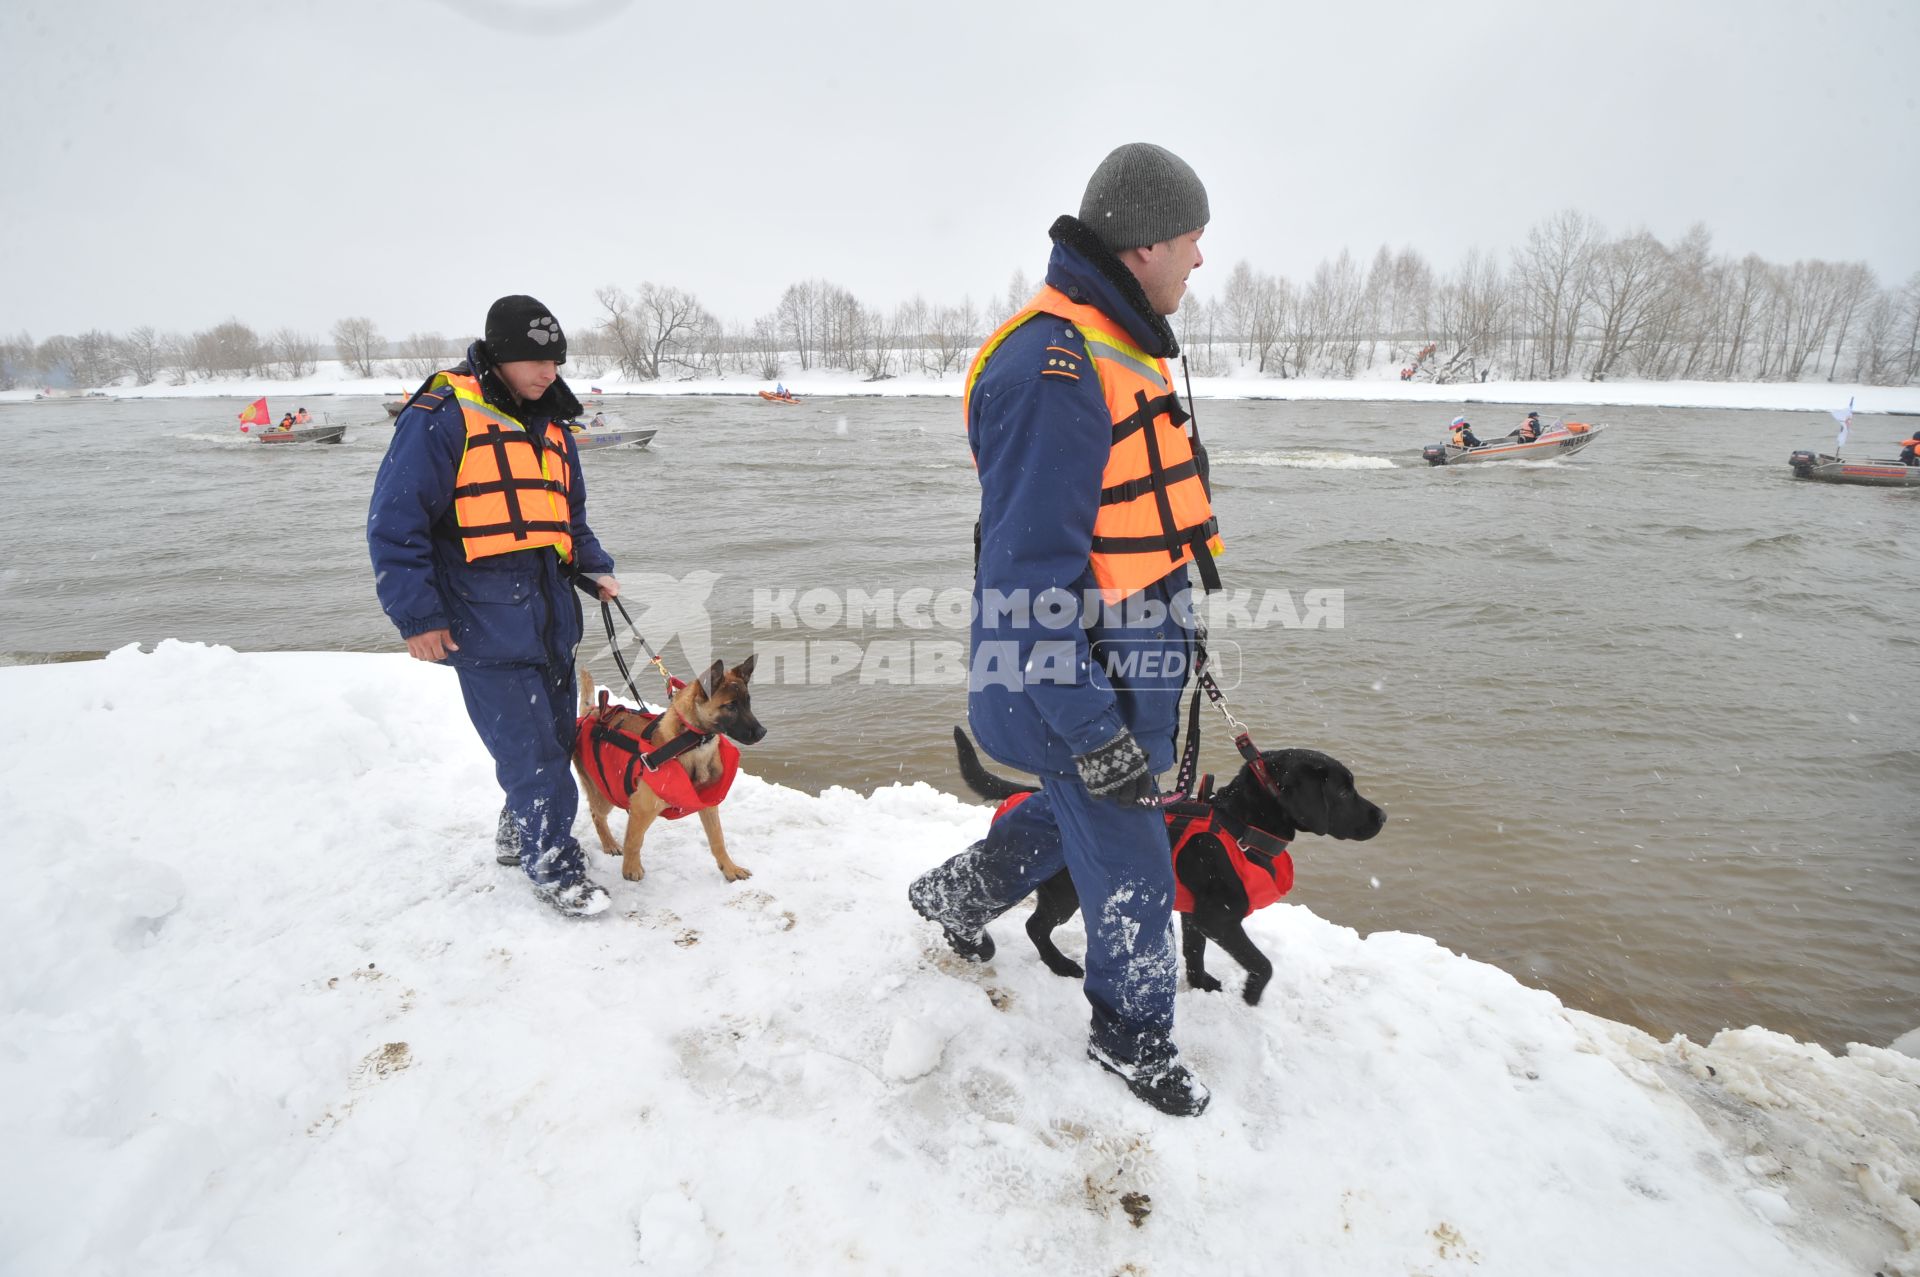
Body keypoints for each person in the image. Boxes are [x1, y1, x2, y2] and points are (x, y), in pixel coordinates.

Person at [907, 143, 1219, 1117]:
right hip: (1068, 682)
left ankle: (956, 894)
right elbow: (1029, 579)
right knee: (1129, 850)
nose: (1201, 263)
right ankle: (1132, 1029)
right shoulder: (1055, 366)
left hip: (1124, 662)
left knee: (1080, 806)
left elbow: (1135, 539)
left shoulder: (1114, 344)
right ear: (1145, 246)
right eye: (1193, 243)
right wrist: (1094, 728)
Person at [367, 295, 620, 918]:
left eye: (556, 361)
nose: (549, 373)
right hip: (481, 619)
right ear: (501, 355)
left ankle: (519, 834)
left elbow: (566, 514)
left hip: (551, 614)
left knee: (555, 739)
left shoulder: (555, 422)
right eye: (536, 360)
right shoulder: (442, 414)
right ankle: (554, 866)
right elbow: (395, 524)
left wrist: (594, 565)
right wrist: (418, 617)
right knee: (530, 753)